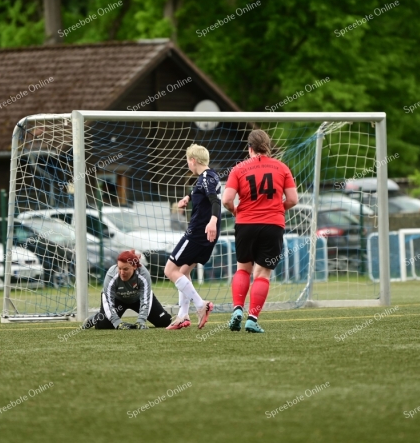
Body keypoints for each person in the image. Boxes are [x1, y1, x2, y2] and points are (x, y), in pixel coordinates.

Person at [222, 129, 298, 333]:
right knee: (263, 274)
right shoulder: (282, 168)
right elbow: (292, 199)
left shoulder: (238, 169)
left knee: (243, 269)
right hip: (272, 225)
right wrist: (276, 210)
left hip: (245, 224)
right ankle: (252, 319)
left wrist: (236, 211)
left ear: (250, 149)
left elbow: (227, 200)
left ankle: (237, 308)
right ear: (268, 148)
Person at [164, 144, 220, 330]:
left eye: (188, 160)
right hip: (205, 233)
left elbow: (214, 200)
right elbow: (201, 190)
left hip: (197, 232)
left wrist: (212, 220)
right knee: (184, 272)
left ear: (193, 160)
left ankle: (200, 305)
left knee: (170, 270)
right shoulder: (209, 176)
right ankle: (182, 316)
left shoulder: (205, 179)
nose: (187, 163)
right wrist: (188, 198)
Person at [82, 250, 172, 330]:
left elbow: (145, 299)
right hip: (118, 301)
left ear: (134, 267)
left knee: (164, 322)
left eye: (125, 269)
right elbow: (108, 301)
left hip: (138, 300)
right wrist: (118, 324)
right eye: (119, 268)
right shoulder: (111, 275)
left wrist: (141, 321)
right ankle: (96, 318)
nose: (122, 272)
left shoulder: (143, 274)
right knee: (105, 325)